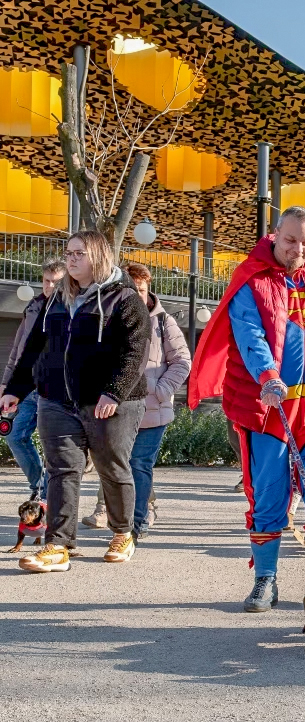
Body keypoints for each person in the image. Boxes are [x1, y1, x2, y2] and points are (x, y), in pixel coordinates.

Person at [188, 206, 305, 612]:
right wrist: (267, 376)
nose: (298, 249)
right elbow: (249, 335)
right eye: (291, 240)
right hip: (269, 409)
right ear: (275, 234)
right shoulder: (251, 277)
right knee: (268, 496)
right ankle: (265, 578)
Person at [1, 230, 150, 573]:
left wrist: (114, 392)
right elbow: (34, 346)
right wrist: (15, 388)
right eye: (69, 253)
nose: (71, 259)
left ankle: (122, 532)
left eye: (79, 253)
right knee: (61, 469)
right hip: (57, 398)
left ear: (98, 256)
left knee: (111, 466)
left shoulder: (124, 298)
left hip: (110, 400)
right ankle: (57, 545)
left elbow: (136, 352)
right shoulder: (57, 298)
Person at [124, 263, 191, 542]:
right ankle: (125, 519)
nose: (137, 295)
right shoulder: (113, 317)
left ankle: (136, 523)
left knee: (139, 464)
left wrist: (160, 391)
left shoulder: (164, 321)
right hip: (118, 408)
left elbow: (182, 361)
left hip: (152, 409)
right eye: (131, 290)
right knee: (119, 467)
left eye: (141, 290)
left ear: (148, 289)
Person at [0, 259, 64, 501]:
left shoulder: (72, 309)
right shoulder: (33, 307)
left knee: (52, 444)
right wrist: (6, 384)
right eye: (46, 281)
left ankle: (46, 497)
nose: (50, 286)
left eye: (56, 282)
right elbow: (18, 349)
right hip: (27, 387)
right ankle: (38, 485)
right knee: (14, 435)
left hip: (55, 389)